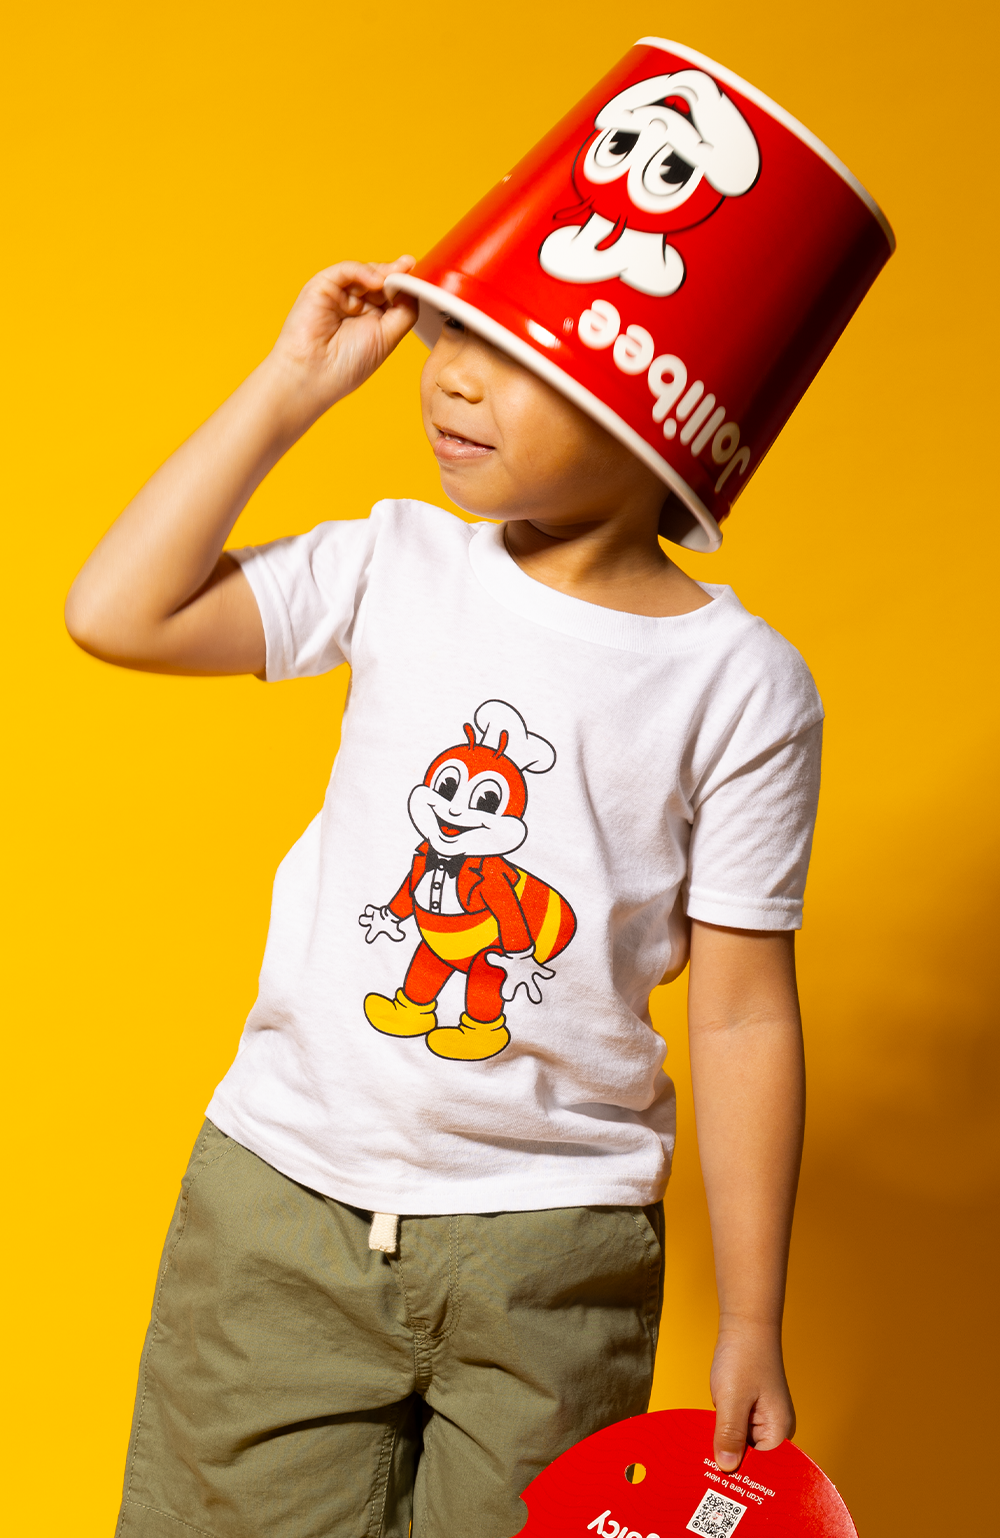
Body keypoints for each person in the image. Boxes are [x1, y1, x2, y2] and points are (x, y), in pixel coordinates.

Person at [67, 256, 821, 1538]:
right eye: (454, 333)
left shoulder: (742, 682)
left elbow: (743, 1010)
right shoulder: (394, 561)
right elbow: (114, 611)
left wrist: (750, 1314)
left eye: (519, 358)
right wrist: (291, 385)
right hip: (283, 1206)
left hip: (554, 1250)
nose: (453, 377)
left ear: (663, 405)